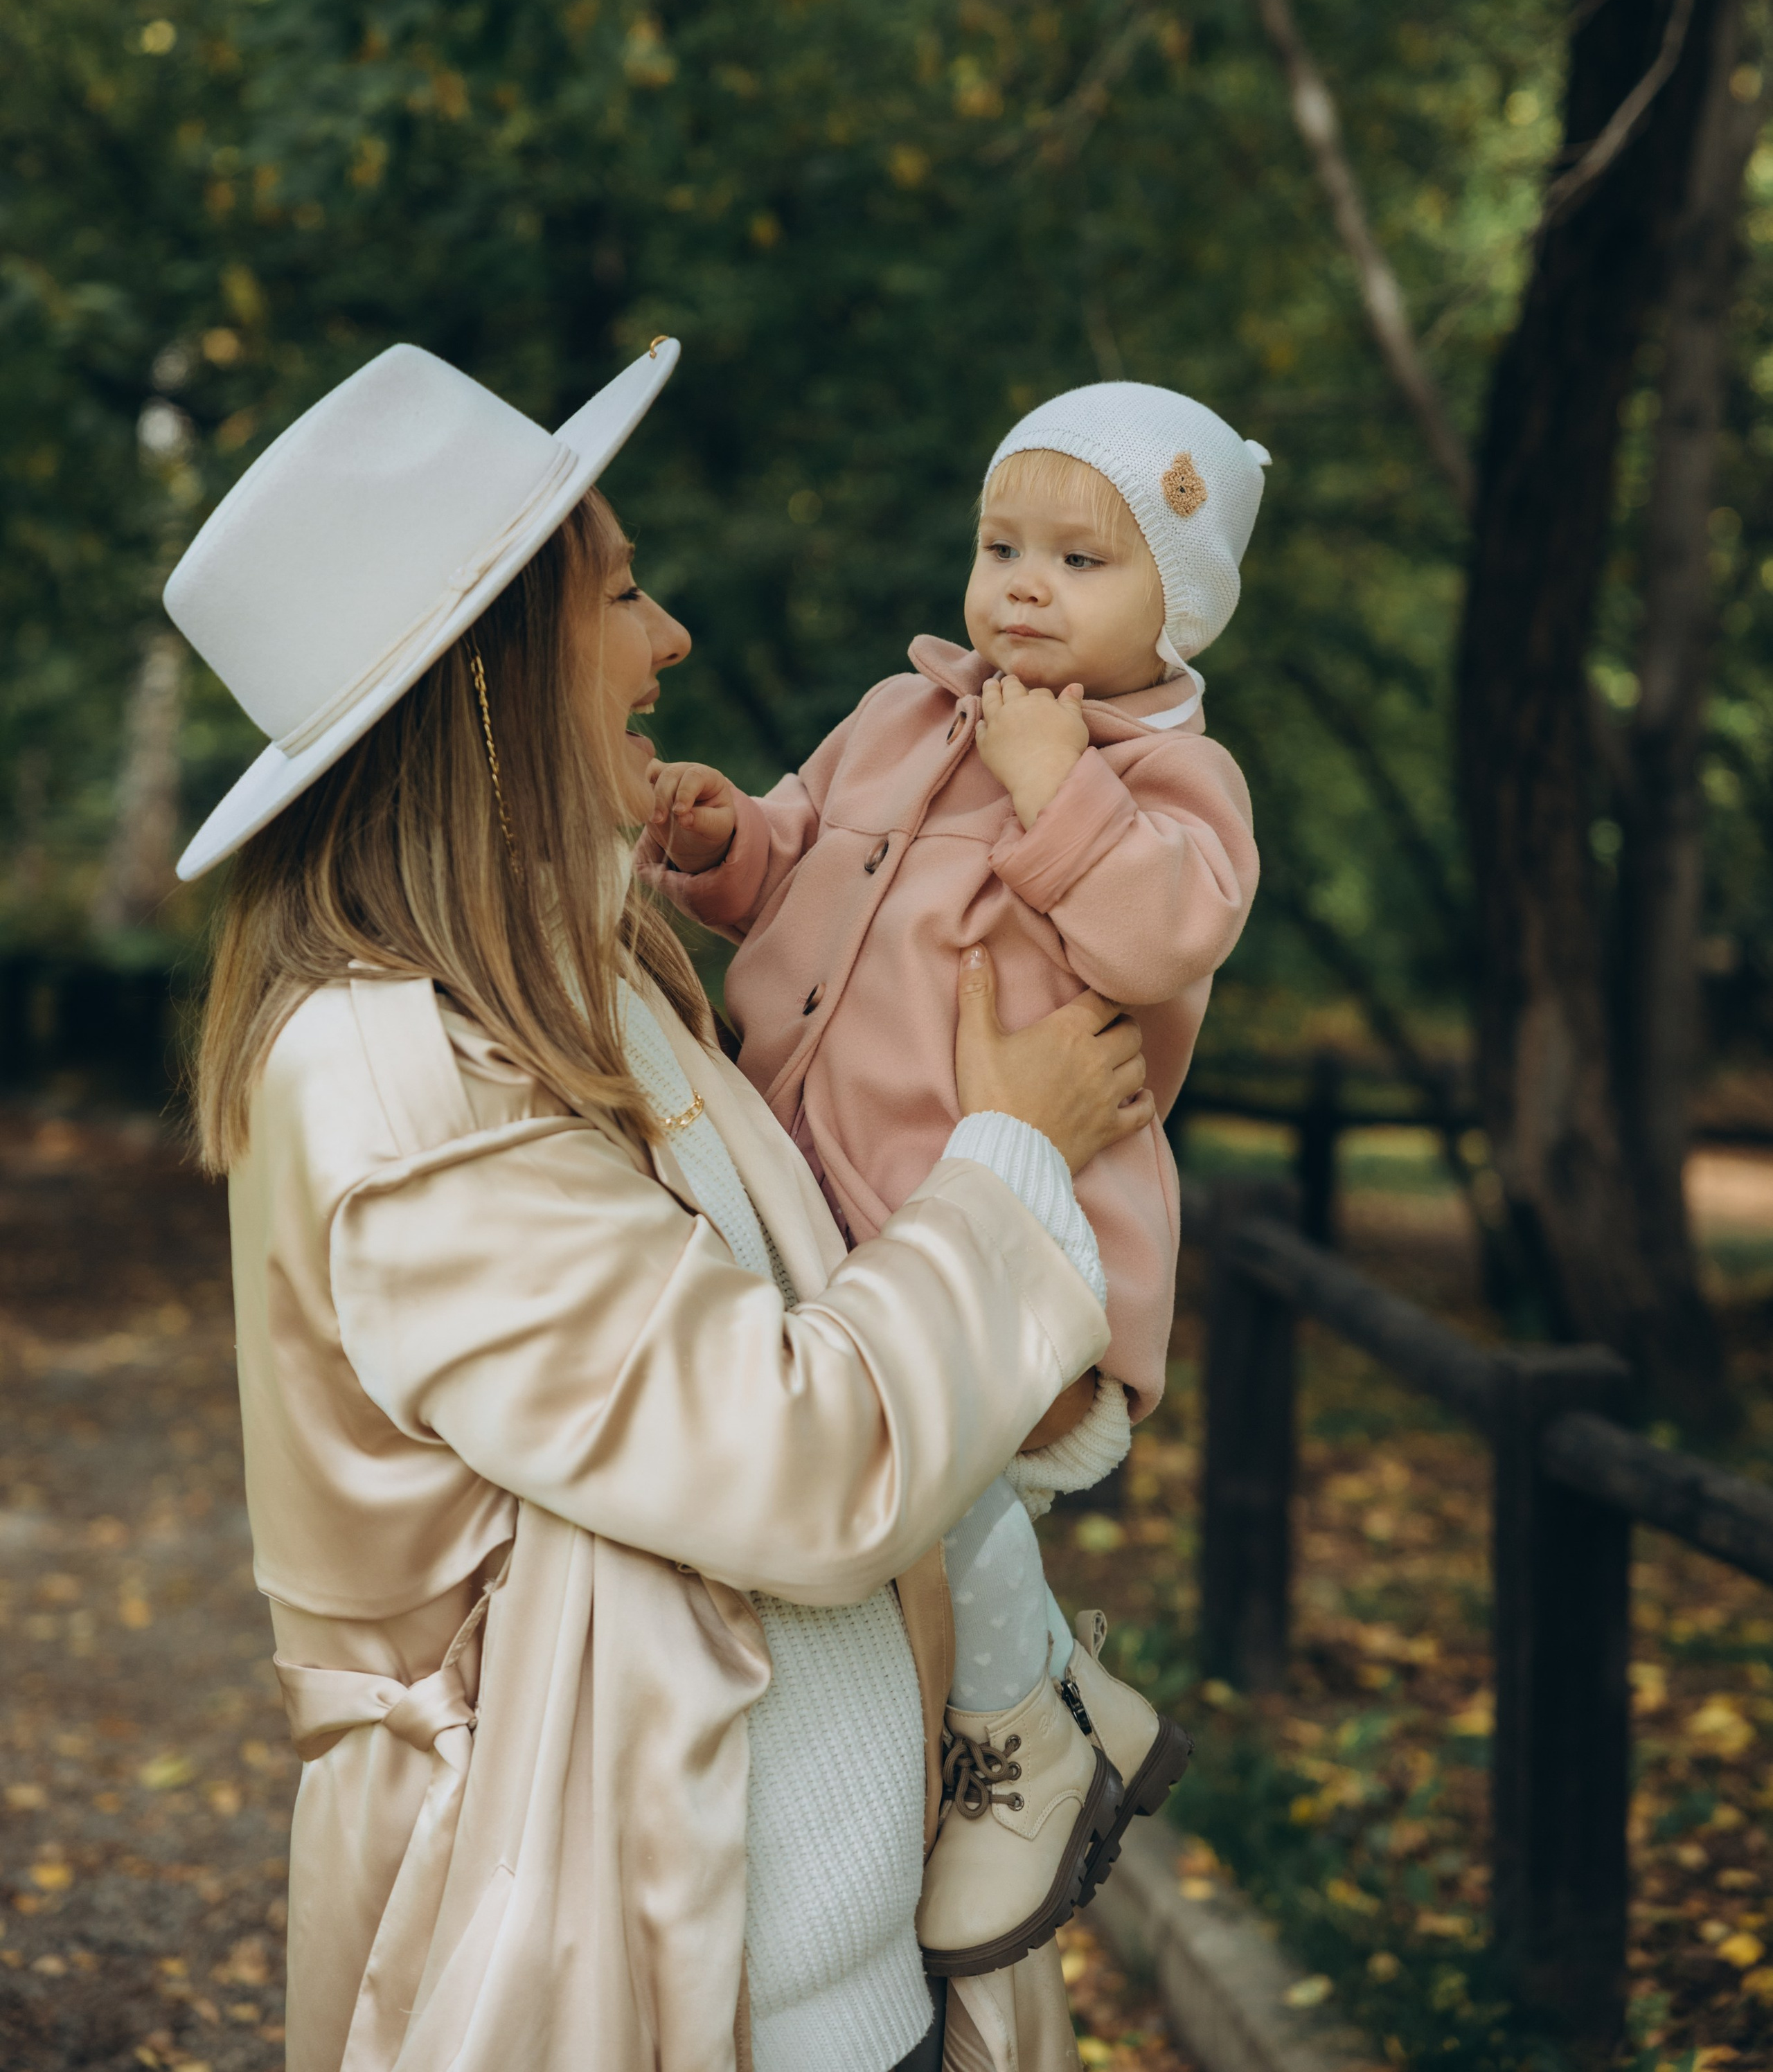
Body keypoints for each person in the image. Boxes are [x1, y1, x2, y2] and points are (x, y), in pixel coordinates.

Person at [165, 337, 1153, 2072]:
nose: (669, 637)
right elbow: (798, 1452)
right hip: (650, 2006)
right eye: (619, 593)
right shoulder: (396, 1077)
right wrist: (1010, 1158)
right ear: (486, 678)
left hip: (846, 1985)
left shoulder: (590, 973)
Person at [643, 381, 1265, 1973]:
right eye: (1002, 546)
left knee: (950, 1458)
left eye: (1081, 560)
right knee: (863, 1470)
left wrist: (1059, 788)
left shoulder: (1171, 784)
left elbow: (1160, 938)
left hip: (1024, 1221)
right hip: (827, 1191)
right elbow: (793, 858)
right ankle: (1050, 1701)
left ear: (1175, 609)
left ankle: (1017, 1738)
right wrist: (725, 841)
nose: (1024, 588)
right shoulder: (898, 716)